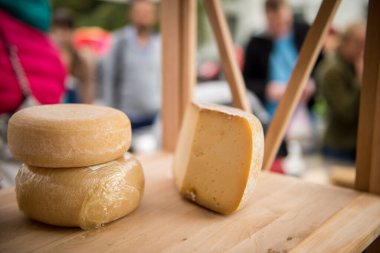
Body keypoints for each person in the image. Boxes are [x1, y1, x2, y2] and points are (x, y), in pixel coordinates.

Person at [243, 0, 316, 157]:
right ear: (267, 18)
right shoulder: (256, 44)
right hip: (271, 114)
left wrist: (312, 83)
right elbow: (246, 81)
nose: (280, 27)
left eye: (284, 22)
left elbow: (320, 66)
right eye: (275, 23)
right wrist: (266, 89)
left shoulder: (305, 34)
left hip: (302, 113)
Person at [100, 0, 161, 129]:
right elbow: (109, 80)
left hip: (154, 116)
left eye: (148, 12)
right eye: (140, 12)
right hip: (127, 118)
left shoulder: (159, 44)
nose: (144, 16)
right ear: (131, 14)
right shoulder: (119, 43)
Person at [316, 23, 365, 162]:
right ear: (347, 42)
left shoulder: (351, 64)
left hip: (355, 142)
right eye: (359, 44)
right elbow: (346, 111)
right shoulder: (332, 70)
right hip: (339, 146)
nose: (362, 50)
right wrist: (360, 80)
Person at [51, 8, 96, 104]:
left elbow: (87, 86)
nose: (61, 35)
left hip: (76, 107)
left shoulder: (81, 58)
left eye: (65, 29)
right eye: (57, 30)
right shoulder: (49, 57)